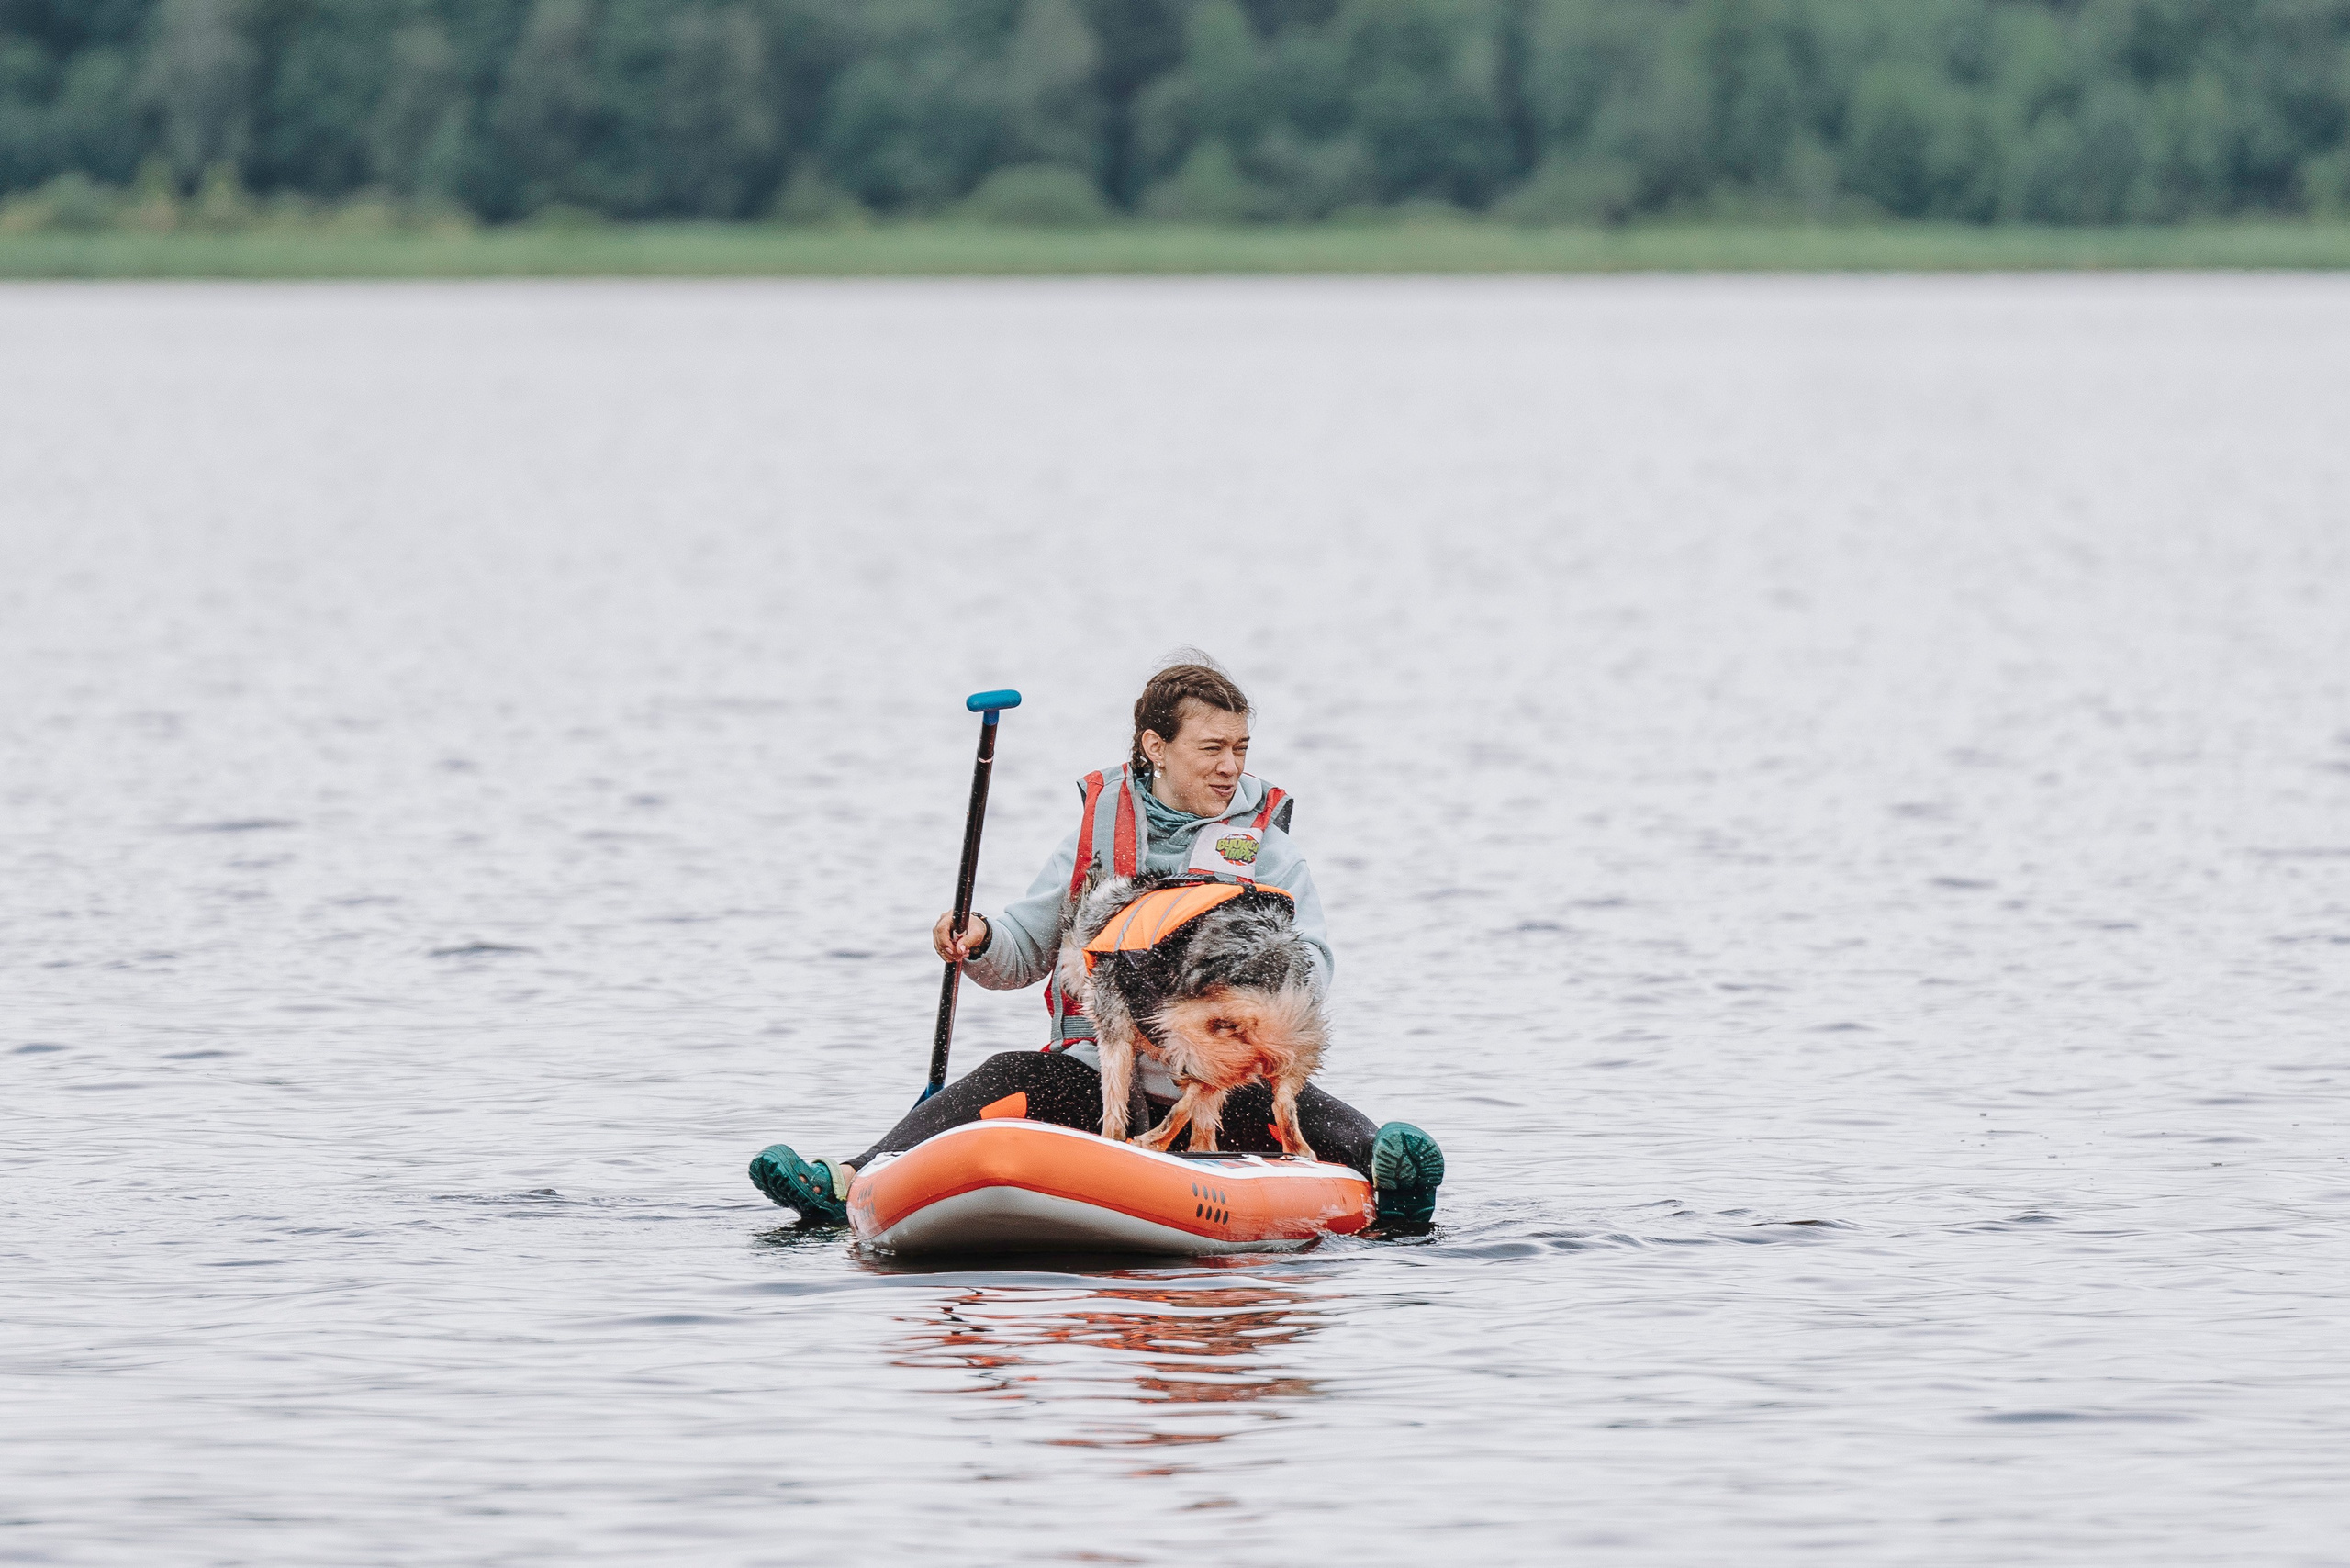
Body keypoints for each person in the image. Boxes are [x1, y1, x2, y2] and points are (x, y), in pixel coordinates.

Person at [750, 659, 1444, 1227]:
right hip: (1098, 1069)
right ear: (1155, 747)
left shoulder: (1270, 852)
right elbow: (1023, 948)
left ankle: (1393, 1171)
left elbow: (1312, 972)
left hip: (1223, 1073)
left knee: (1301, 1106)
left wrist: (1233, 991)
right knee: (1002, 1075)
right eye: (1211, 750)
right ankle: (845, 1180)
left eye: (1240, 750)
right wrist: (979, 937)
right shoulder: (1094, 836)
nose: (1231, 767)